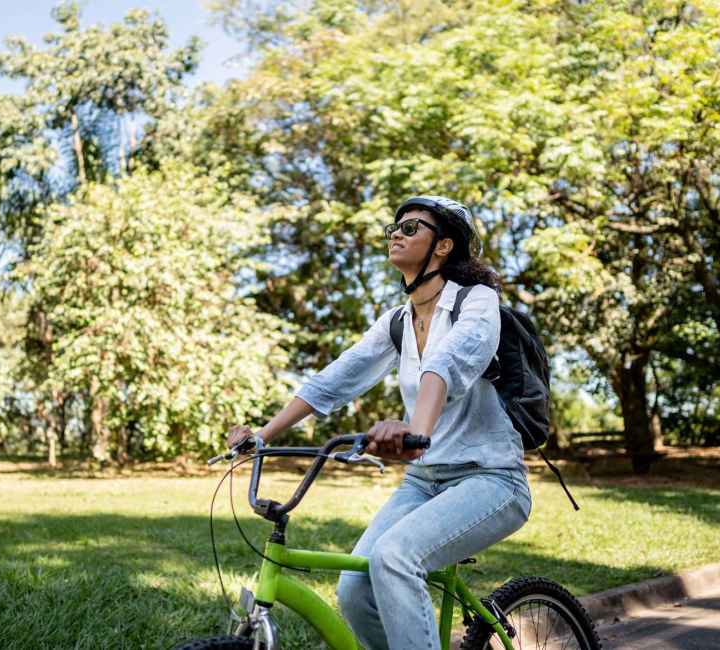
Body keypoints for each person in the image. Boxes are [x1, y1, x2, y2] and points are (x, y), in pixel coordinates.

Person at [226, 195, 531, 650]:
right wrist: (262, 434)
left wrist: (417, 433)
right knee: (354, 585)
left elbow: (448, 363)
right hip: (424, 481)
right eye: (394, 226)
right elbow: (336, 378)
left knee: (394, 557)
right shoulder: (398, 322)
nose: (396, 233)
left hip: (492, 478)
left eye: (411, 228)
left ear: (443, 246)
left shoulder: (477, 301)